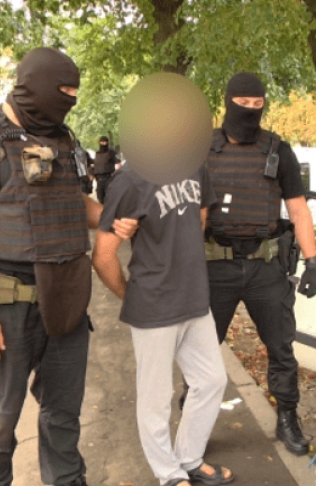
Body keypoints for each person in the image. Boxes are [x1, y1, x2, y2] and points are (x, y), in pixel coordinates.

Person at [0, 47, 137, 486]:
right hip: (4, 305)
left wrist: (111, 218)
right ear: (31, 86)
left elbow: (72, 201)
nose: (69, 100)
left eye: (74, 93)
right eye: (62, 91)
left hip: (66, 298)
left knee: (63, 418)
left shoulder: (65, 140)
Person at [92, 164, 232, 486]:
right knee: (156, 397)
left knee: (211, 380)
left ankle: (189, 458)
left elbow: (199, 218)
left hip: (194, 298)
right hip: (153, 304)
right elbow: (102, 256)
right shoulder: (129, 180)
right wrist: (130, 296)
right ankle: (168, 474)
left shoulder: (195, 167)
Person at [204, 72, 316, 456]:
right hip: (214, 267)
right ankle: (194, 423)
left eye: (258, 104)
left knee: (281, 347)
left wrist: (312, 261)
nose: (251, 111)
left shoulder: (278, 150)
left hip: (265, 266)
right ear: (228, 102)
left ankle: (287, 417)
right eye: (243, 104)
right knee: (200, 350)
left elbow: (298, 210)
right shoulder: (202, 149)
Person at [91, 135, 121, 203]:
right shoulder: (97, 153)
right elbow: (96, 165)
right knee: (100, 198)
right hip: (99, 180)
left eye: (105, 142)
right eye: (102, 142)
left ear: (107, 143)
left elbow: (119, 164)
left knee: (110, 198)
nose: (103, 144)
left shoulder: (111, 153)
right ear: (99, 143)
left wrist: (116, 175)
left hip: (108, 178)